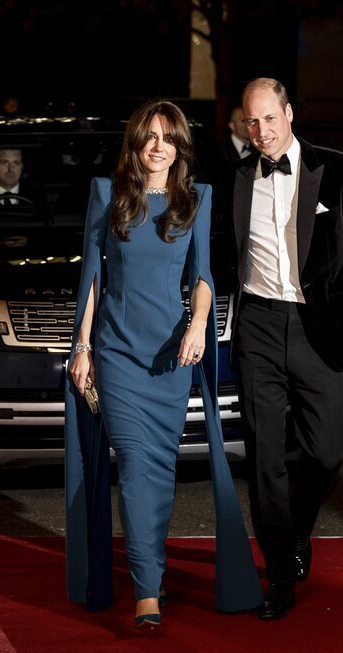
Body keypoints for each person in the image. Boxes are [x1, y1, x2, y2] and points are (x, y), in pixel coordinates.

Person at [64, 99, 262, 626]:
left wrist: (199, 325)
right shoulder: (108, 195)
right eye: (149, 136)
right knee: (132, 463)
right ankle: (147, 589)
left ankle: (151, 566)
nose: (158, 146)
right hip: (118, 353)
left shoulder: (197, 199)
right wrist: (81, 347)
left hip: (170, 355)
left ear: (179, 147)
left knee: (159, 470)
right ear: (136, 143)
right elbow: (91, 279)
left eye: (168, 138)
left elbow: (203, 276)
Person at [229, 78, 343, 619]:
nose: (261, 132)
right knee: (264, 459)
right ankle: (280, 571)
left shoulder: (339, 170)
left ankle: (297, 530)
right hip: (256, 323)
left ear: (290, 113)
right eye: (252, 122)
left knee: (327, 450)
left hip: (317, 326)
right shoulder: (233, 177)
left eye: (270, 119)